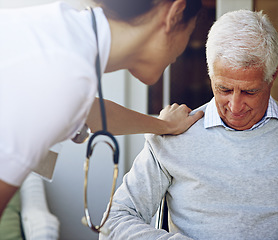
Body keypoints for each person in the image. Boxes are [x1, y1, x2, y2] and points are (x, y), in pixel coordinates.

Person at [100, 9, 278, 240]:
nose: (234, 107)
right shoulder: (173, 134)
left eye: (249, 91)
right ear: (210, 73)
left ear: (273, 77)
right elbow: (114, 222)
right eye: (223, 89)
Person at [0, 0, 204, 218]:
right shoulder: (63, 72)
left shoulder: (65, 36)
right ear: (175, 14)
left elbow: (93, 113)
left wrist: (165, 125)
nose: (182, 50)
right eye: (191, 31)